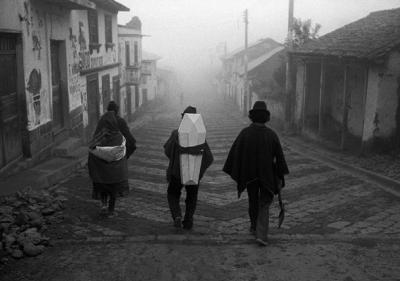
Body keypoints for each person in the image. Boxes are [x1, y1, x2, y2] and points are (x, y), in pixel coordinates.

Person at [223, 101, 289, 246]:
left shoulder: (245, 133)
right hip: (267, 175)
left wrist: (240, 170)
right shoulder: (272, 135)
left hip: (250, 175)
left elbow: (235, 153)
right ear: (266, 117)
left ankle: (254, 227)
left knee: (253, 201)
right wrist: (280, 175)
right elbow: (279, 158)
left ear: (252, 116)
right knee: (264, 203)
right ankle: (261, 233)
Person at [163, 106, 214, 230]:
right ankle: (188, 220)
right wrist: (200, 171)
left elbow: (167, 150)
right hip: (193, 171)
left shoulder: (176, 133)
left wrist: (175, 159)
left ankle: (177, 215)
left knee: (172, 193)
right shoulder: (199, 135)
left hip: (177, 171)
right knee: (191, 196)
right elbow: (209, 157)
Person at [88, 101, 137, 217]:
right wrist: (125, 155)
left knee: (102, 181)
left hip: (100, 158)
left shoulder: (102, 122)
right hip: (116, 158)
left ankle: (103, 205)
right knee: (114, 183)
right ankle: (111, 209)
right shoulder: (120, 122)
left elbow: (94, 141)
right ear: (117, 110)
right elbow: (131, 142)